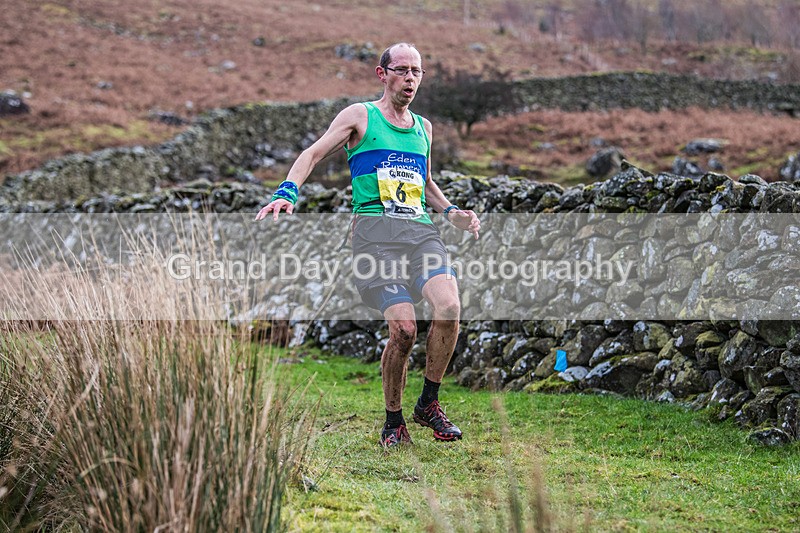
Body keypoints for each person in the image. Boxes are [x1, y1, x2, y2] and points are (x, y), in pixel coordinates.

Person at [256, 42, 480, 448]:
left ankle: (428, 403)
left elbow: (424, 182)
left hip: (419, 233)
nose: (410, 79)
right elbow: (313, 152)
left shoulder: (423, 128)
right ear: (383, 74)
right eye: (402, 70)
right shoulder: (361, 116)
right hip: (374, 240)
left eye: (417, 72)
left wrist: (452, 212)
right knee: (405, 330)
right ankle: (393, 421)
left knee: (449, 306)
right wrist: (288, 191)